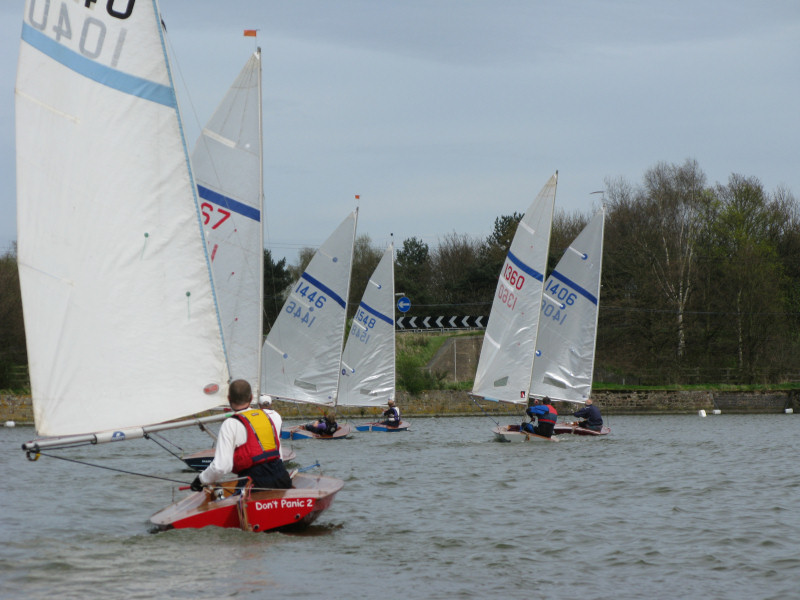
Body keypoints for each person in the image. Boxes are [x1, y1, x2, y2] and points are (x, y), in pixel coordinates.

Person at [190, 379, 291, 493]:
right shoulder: (269, 416)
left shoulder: (230, 424)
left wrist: (200, 480)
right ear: (251, 398)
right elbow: (278, 453)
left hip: (254, 483)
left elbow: (221, 467)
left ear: (229, 398)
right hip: (282, 477)